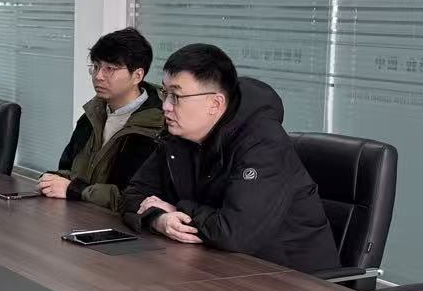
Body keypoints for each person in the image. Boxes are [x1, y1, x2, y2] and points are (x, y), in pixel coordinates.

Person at [120, 43, 338, 272]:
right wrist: (158, 219)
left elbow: (236, 234)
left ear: (215, 103)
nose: (165, 106)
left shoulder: (263, 144)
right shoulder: (179, 136)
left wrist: (177, 210)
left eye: (176, 96)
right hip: (218, 268)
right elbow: (132, 195)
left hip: (292, 279)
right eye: (165, 93)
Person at [38, 27, 164, 210]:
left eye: (109, 69)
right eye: (96, 67)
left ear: (137, 75)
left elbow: (134, 199)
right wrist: (51, 179)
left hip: (118, 224)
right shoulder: (92, 115)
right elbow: (68, 168)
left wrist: (75, 189)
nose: (98, 76)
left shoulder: (156, 128)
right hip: (79, 214)